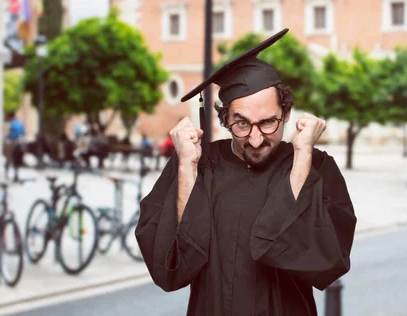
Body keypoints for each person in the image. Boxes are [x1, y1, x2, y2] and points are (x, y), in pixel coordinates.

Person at [135, 28, 357, 316]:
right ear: (224, 119)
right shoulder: (199, 163)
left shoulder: (316, 165)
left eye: (268, 123)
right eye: (242, 124)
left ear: (286, 113)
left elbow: (327, 263)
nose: (255, 139)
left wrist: (302, 155)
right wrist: (187, 166)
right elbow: (170, 269)